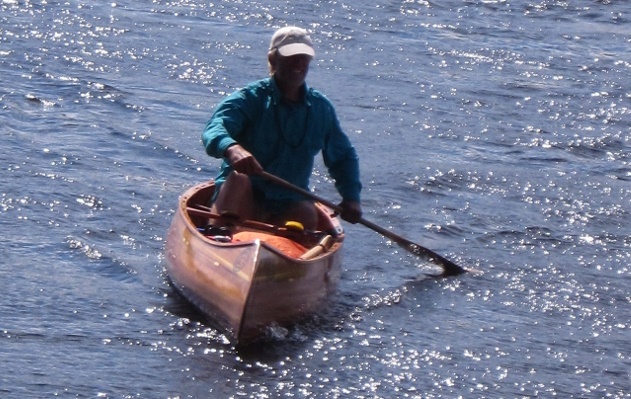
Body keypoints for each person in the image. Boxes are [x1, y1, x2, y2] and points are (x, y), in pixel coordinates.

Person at [201, 26, 362, 231]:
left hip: (288, 202)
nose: (299, 62)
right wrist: (232, 149)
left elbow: (343, 157)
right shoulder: (249, 99)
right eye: (291, 55)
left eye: (304, 56)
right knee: (238, 179)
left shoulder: (321, 108)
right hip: (243, 201)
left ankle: (287, 254)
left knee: (307, 212)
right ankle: (221, 235)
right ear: (272, 60)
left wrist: (351, 198)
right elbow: (214, 129)